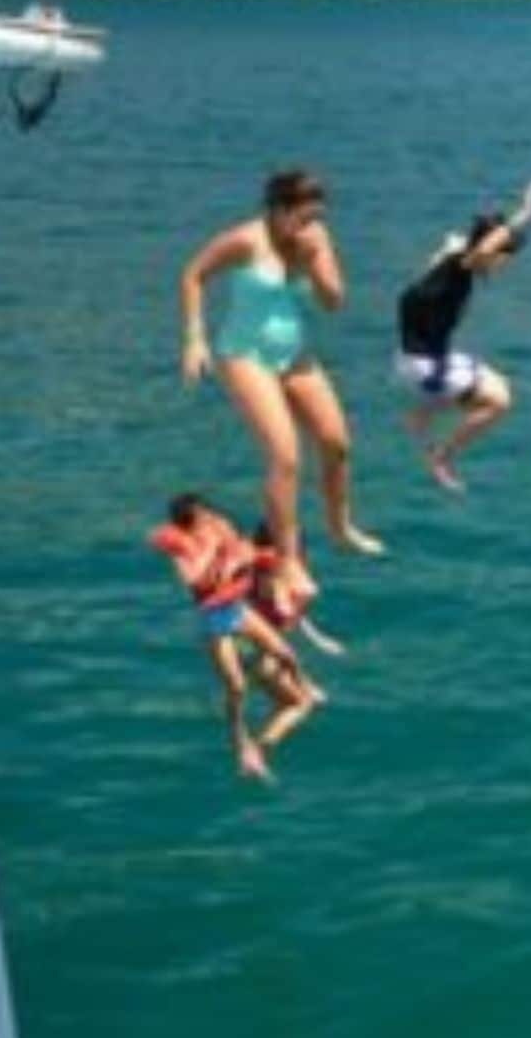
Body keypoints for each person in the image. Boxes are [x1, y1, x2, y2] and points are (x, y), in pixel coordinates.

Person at [179, 169, 383, 593]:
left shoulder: (316, 240)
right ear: (278, 210)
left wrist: (313, 262)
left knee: (336, 443)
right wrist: (195, 338)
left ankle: (340, 525)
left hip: (293, 353)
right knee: (286, 457)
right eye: (304, 217)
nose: (312, 225)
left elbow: (334, 302)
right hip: (245, 356)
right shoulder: (245, 240)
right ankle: (288, 561)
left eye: (317, 217)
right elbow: (194, 275)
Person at [150, 493, 323, 781]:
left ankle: (304, 686)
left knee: (287, 657)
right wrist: (218, 556)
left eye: (207, 513)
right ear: (189, 524)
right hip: (217, 622)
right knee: (238, 688)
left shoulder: (222, 529)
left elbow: (250, 556)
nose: (208, 519)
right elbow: (195, 580)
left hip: (237, 610)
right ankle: (241, 742)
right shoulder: (185, 552)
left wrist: (243, 553)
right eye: (200, 517)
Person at [394, 179, 531, 494]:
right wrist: (526, 213)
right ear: (491, 252)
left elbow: (461, 246)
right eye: (506, 259)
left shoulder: (449, 262)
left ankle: (422, 414)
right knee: (500, 402)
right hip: (424, 367)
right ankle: (442, 457)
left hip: (419, 357)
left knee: (497, 383)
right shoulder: (464, 266)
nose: (504, 266)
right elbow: (484, 247)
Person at [247, 519, 349, 658]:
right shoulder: (260, 572)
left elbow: (294, 613)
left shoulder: (291, 573)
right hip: (254, 627)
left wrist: (315, 637)